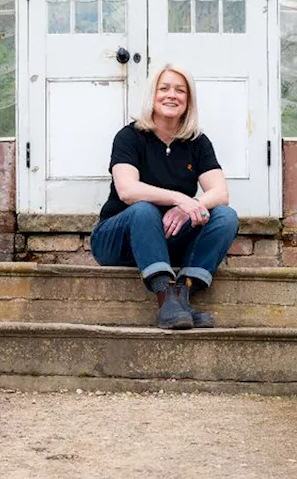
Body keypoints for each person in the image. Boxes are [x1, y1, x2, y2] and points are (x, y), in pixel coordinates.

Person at [90, 63, 239, 330]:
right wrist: (178, 199)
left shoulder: (197, 142)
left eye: (180, 90)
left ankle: (180, 298)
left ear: (188, 100)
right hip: (116, 240)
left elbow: (220, 193)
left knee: (225, 217)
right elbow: (127, 190)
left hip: (167, 237)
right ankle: (164, 297)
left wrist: (189, 208)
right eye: (164, 88)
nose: (172, 95)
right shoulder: (129, 137)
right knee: (143, 209)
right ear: (153, 95)